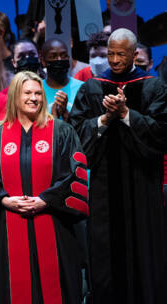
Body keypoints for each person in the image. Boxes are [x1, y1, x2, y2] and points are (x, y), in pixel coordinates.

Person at [0, 71, 88, 304]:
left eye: (38, 93)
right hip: (8, 226)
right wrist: (3, 200)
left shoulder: (61, 131)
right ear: (14, 96)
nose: (34, 98)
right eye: (27, 93)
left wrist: (47, 200)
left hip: (54, 224)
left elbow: (75, 176)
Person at [69, 28, 167, 304]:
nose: (112, 59)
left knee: (145, 256)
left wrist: (126, 114)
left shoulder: (153, 86)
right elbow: (77, 135)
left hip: (143, 188)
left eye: (120, 54)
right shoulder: (92, 87)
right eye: (110, 53)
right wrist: (104, 119)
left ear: (135, 54)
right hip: (103, 192)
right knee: (105, 260)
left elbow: (161, 134)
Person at [41, 38, 84, 121]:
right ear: (43, 61)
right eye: (53, 56)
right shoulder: (37, 89)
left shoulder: (82, 88)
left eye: (63, 55)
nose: (59, 60)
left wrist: (66, 115)